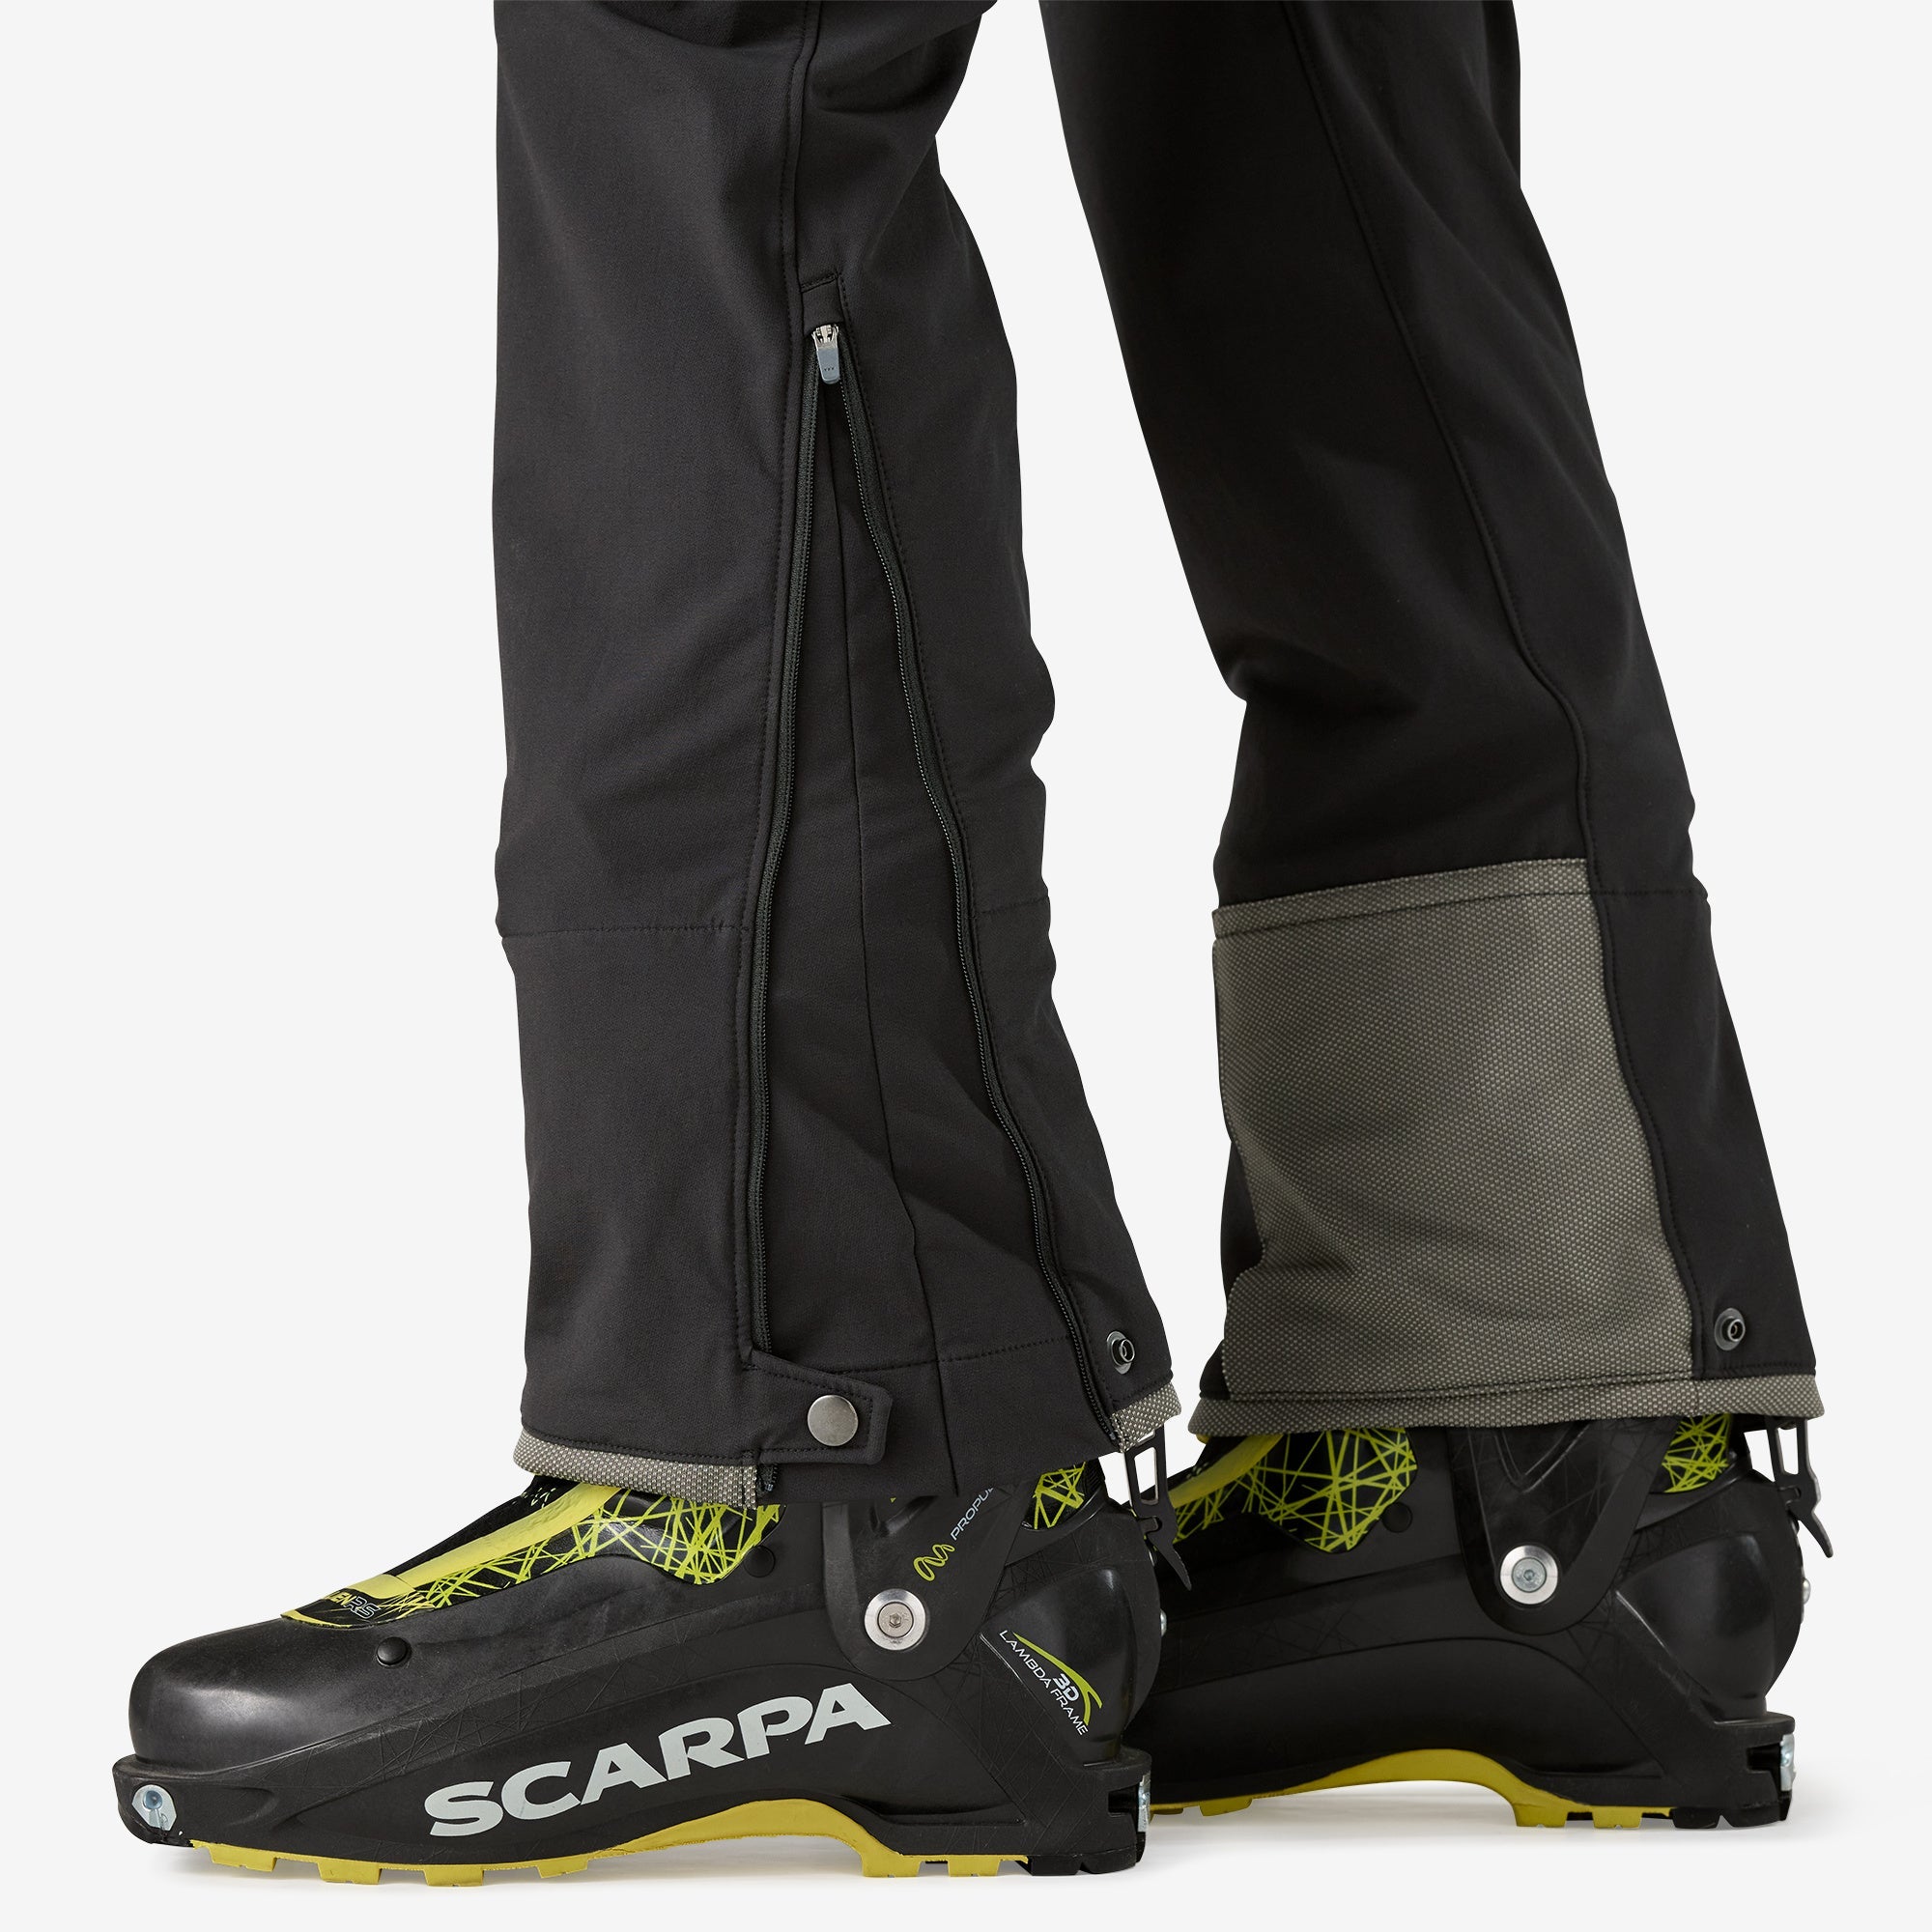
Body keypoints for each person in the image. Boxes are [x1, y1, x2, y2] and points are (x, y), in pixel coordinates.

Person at [112, 1, 1826, 1882]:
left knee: (710, 59)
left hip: (862, 1476)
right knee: (1294, 74)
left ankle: (852, 1470)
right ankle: (1528, 1427)